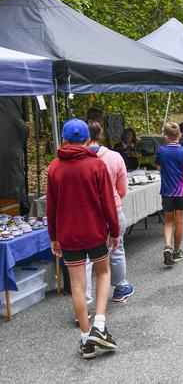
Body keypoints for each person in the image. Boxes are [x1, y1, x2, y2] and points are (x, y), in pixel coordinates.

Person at [46, 119, 120, 359]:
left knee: (77, 285)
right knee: (103, 273)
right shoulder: (96, 165)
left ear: (64, 140)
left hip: (68, 235)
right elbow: (108, 202)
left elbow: (52, 207)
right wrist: (115, 230)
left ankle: (86, 339)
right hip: (95, 231)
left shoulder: (54, 168)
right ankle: (100, 325)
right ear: (87, 139)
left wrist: (54, 237)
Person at [86, 121, 134, 303]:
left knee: (87, 257)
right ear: (101, 135)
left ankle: (85, 301)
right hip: (113, 208)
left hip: (89, 213)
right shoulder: (114, 157)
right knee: (116, 247)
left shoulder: (77, 160)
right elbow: (122, 189)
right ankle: (120, 287)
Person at [155, 122, 183, 266]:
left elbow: (159, 166)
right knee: (180, 221)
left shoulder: (160, 150)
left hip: (166, 191)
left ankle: (167, 247)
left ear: (165, 137)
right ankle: (176, 252)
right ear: (180, 135)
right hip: (181, 190)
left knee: (168, 221)